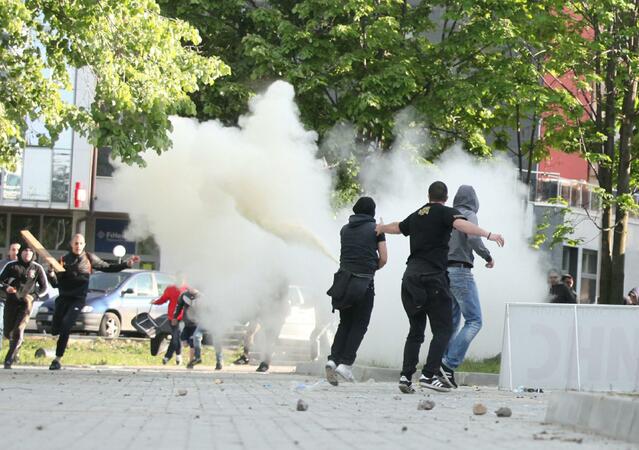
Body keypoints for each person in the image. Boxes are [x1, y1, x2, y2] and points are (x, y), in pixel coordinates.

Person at [375, 181, 504, 394]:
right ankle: (429, 374)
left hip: (410, 278)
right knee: (443, 329)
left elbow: (398, 227)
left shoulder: (418, 214)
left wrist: (381, 228)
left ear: (429, 195)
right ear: (445, 198)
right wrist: (489, 235)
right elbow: (463, 227)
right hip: (433, 278)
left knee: (416, 331)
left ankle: (406, 377)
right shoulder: (446, 213)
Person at [47, 234, 140, 370]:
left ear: (84, 244)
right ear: (71, 244)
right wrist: (50, 273)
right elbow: (55, 284)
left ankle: (57, 359)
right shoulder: (63, 260)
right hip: (63, 299)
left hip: (78, 299)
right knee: (55, 330)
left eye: (81, 243)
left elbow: (108, 267)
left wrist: (126, 264)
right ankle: (56, 337)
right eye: (76, 243)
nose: (78, 246)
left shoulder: (89, 258)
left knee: (66, 326)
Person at [325, 196, 387, 385]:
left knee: (345, 323)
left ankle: (333, 360)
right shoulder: (376, 229)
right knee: (360, 324)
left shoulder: (345, 229)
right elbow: (383, 258)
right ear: (372, 212)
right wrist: (371, 267)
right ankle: (346, 364)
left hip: (343, 282)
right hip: (364, 283)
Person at [440, 185, 494, 389]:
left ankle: (441, 368)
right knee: (474, 321)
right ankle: (448, 365)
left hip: (445, 271)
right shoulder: (469, 214)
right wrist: (487, 255)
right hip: (461, 271)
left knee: (452, 322)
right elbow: (473, 238)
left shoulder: (450, 215)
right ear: (474, 200)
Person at [0, 245, 48, 368]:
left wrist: (34, 296)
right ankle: (16, 348)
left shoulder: (37, 268)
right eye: (25, 250)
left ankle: (9, 359)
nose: (27, 253)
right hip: (11, 302)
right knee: (8, 331)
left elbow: (44, 288)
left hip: (26, 303)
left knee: (18, 328)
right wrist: (7, 287)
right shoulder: (11, 265)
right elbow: (0, 280)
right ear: (21, 252)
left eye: (30, 251)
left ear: (33, 254)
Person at [152, 281, 187, 365]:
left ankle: (168, 356)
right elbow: (163, 299)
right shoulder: (170, 288)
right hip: (172, 317)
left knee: (176, 337)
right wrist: (155, 302)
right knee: (176, 337)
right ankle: (177, 355)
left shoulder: (187, 288)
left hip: (183, 317)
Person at [0, 242, 20, 356]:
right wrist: (6, 287)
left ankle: (14, 353)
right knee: (0, 325)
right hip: (2, 298)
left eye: (18, 250)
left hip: (17, 301)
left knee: (15, 329)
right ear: (9, 251)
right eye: (13, 249)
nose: (15, 252)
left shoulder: (25, 266)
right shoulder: (2, 264)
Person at [174, 288, 201, 368]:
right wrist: (175, 317)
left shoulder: (201, 297)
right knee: (184, 343)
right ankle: (193, 347)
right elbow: (179, 307)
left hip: (196, 324)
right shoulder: (184, 295)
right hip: (186, 323)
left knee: (192, 344)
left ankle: (191, 363)